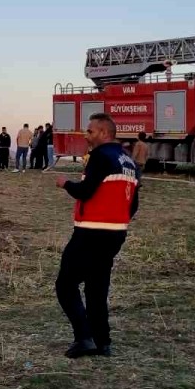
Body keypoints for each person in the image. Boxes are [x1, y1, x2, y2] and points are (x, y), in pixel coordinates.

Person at [53, 113, 139, 359]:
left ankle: (84, 338)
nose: (86, 135)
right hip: (115, 234)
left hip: (90, 231)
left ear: (103, 133)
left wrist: (65, 183)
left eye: (90, 131)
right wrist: (118, 221)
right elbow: (134, 203)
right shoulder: (129, 162)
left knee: (66, 285)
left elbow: (86, 191)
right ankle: (103, 342)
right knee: (96, 287)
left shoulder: (101, 156)